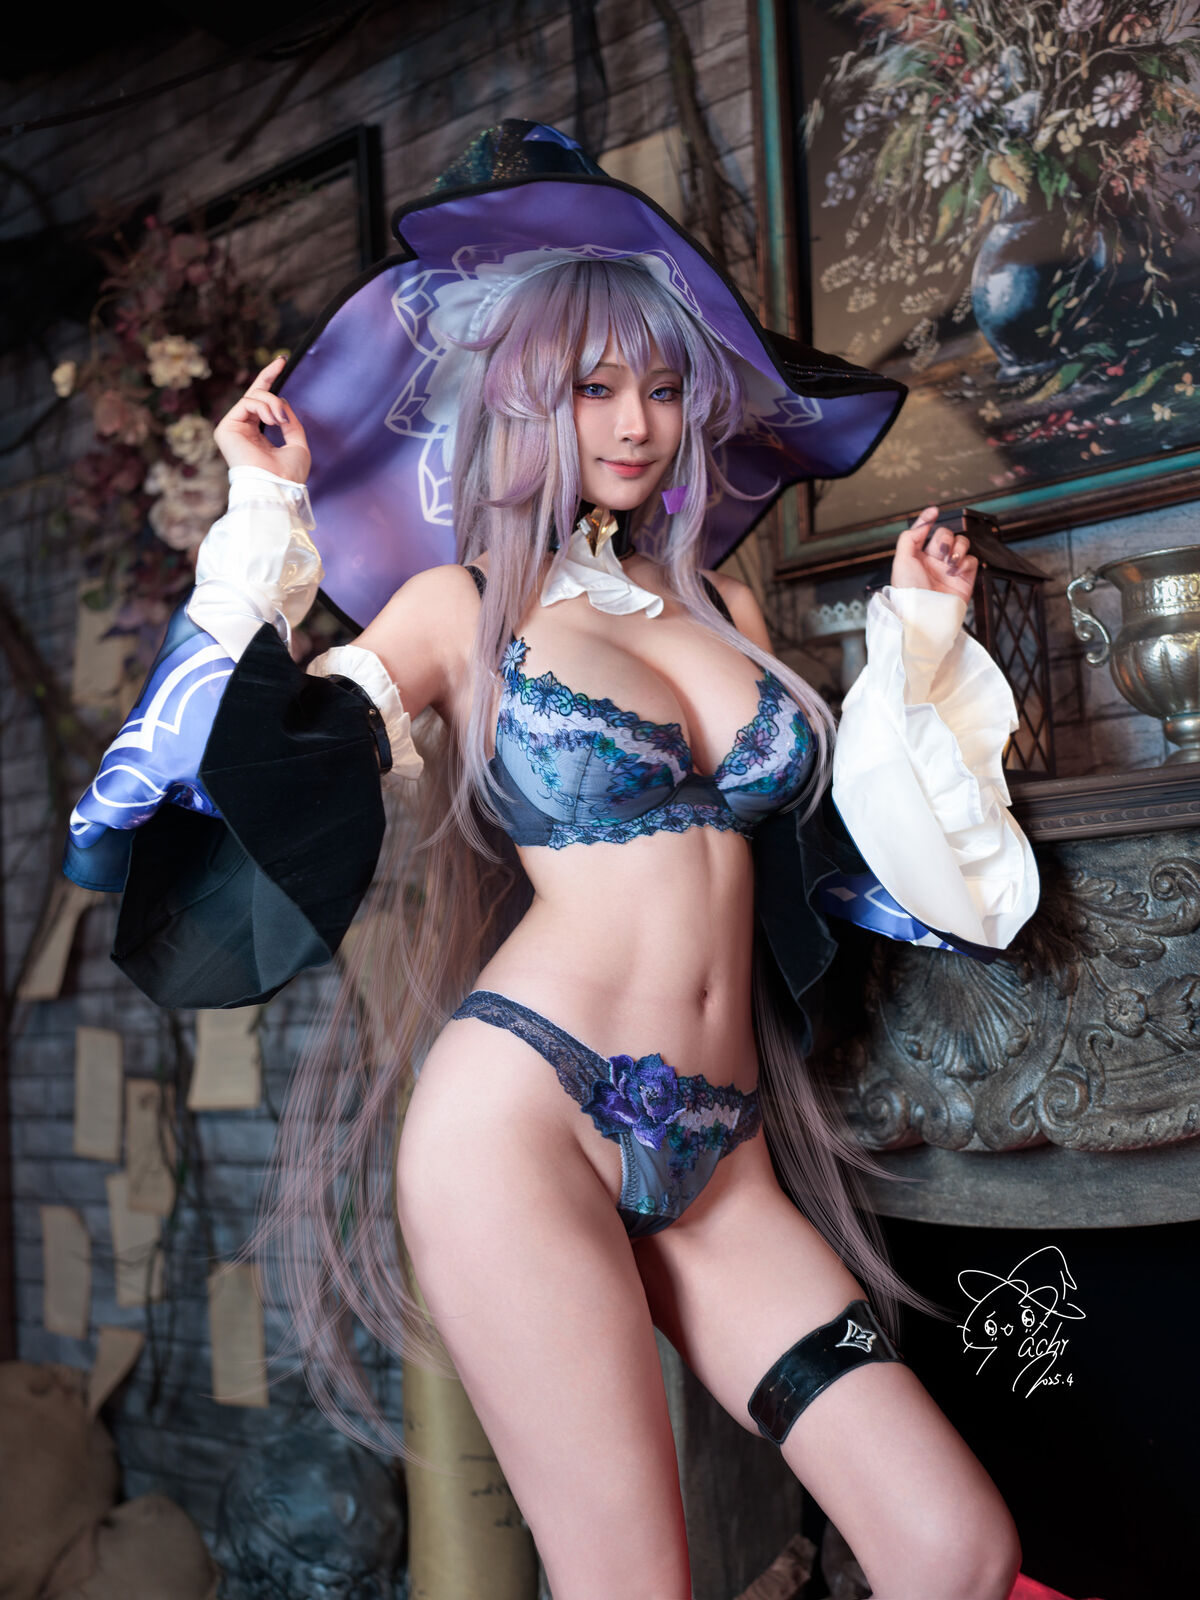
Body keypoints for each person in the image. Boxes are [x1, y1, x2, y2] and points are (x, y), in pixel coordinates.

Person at [66, 123, 1043, 1600]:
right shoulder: (462, 611)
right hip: (522, 1126)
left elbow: (827, 852)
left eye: (662, 385)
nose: (636, 422)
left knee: (953, 1547)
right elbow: (252, 756)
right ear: (523, 397)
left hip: (719, 1161)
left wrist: (919, 643)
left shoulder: (721, 608)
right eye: (594, 387)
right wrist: (264, 513)